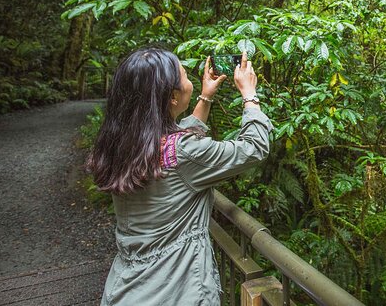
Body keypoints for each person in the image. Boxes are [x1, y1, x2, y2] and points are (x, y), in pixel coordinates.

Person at [87, 47, 272, 305]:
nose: (190, 82)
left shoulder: (121, 143)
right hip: (174, 290)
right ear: (173, 96)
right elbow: (253, 149)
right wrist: (250, 95)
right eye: (185, 76)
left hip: (127, 288)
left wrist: (205, 97)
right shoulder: (183, 154)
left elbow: (177, 143)